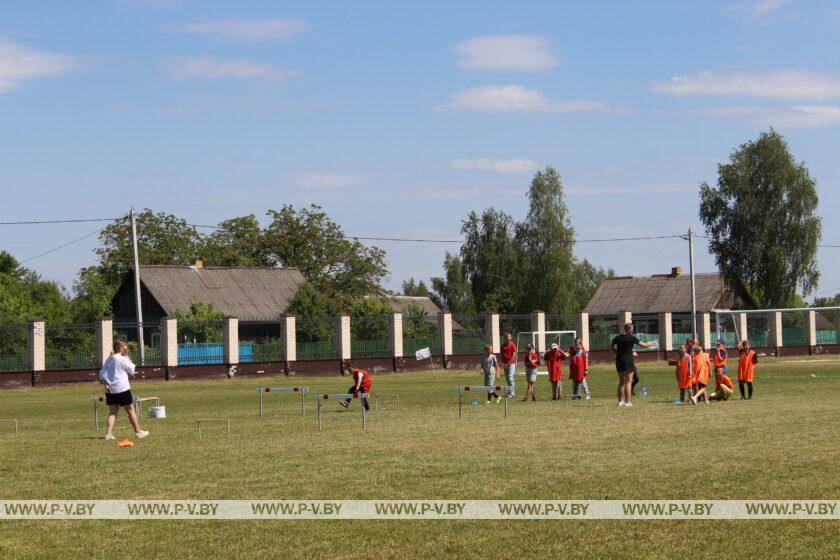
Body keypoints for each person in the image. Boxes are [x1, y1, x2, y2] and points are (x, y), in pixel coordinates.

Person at [99, 339, 148, 441]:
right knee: (131, 410)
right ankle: (138, 432)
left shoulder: (109, 359)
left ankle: (108, 434)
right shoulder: (122, 359)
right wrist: (126, 355)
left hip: (111, 390)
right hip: (122, 389)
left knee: (112, 412)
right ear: (121, 348)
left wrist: (106, 384)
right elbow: (132, 370)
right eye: (125, 346)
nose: (126, 348)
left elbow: (101, 374)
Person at [611, 323, 656, 407]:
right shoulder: (631, 337)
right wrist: (650, 344)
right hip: (628, 360)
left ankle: (620, 402)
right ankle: (627, 402)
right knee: (628, 382)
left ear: (624, 329)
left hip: (619, 360)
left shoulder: (618, 337)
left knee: (621, 382)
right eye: (632, 329)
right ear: (630, 329)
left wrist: (615, 352)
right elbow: (643, 345)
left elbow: (610, 344)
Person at [500, 332, 517, 398]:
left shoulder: (512, 345)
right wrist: (502, 362)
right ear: (505, 338)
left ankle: (512, 392)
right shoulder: (502, 346)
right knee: (507, 379)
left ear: (511, 338)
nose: (508, 338)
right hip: (505, 364)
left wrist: (510, 362)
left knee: (510, 377)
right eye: (506, 337)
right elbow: (501, 355)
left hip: (511, 363)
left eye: (509, 337)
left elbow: (514, 354)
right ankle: (508, 392)